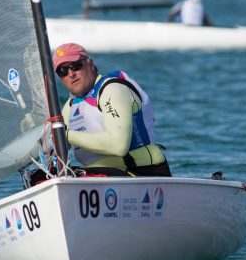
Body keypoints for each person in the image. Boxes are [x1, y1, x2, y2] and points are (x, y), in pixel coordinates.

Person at [53, 43, 172, 177]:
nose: (71, 74)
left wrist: (67, 136)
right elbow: (54, 143)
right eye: (62, 71)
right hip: (99, 176)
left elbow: (118, 146)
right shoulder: (71, 105)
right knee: (39, 176)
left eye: (75, 66)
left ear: (90, 63)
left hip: (142, 171)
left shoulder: (111, 89)